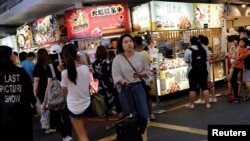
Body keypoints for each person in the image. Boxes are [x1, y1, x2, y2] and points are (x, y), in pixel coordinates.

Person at [112, 33, 150, 136]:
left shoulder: (140, 56)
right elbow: (115, 75)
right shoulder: (117, 59)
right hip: (126, 89)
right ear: (122, 45)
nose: (129, 44)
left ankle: (140, 132)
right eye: (126, 42)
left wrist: (140, 74)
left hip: (138, 87)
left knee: (143, 114)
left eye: (130, 41)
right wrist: (122, 81)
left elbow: (147, 70)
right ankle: (132, 136)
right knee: (129, 116)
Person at [0, 45, 40, 141]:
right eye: (12, 54)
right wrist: (36, 105)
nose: (14, 56)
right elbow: (29, 90)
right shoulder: (20, 71)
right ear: (8, 57)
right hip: (23, 114)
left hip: (5, 115)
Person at [60, 43, 91, 141]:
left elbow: (64, 90)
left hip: (74, 107)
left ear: (64, 57)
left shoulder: (64, 73)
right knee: (83, 132)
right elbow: (88, 85)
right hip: (86, 104)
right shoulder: (85, 68)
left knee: (82, 135)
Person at [42, 44, 73, 141]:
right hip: (68, 94)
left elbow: (49, 85)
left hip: (55, 97)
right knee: (67, 116)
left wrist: (45, 100)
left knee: (55, 117)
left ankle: (65, 135)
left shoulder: (50, 67)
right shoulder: (67, 64)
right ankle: (68, 135)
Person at [92, 45, 122, 130]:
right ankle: (119, 122)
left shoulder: (94, 64)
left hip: (101, 86)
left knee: (104, 106)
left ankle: (107, 124)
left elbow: (95, 77)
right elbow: (113, 73)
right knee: (116, 104)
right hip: (111, 85)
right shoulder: (109, 62)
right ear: (105, 52)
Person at [184, 36, 210, 109]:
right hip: (203, 70)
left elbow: (186, 60)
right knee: (205, 87)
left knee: (192, 88)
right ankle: (207, 104)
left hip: (193, 71)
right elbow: (207, 57)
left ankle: (191, 104)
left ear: (191, 42)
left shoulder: (188, 50)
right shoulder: (203, 48)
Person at [134, 35, 155, 121]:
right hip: (146, 78)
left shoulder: (137, 55)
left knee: (142, 98)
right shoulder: (145, 53)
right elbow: (150, 63)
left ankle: (145, 116)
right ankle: (151, 114)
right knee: (147, 97)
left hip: (140, 78)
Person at [195, 35, 217, 104]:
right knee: (208, 82)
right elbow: (210, 56)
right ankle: (212, 97)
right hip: (206, 66)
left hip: (203, 66)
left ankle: (203, 99)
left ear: (199, 40)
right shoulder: (205, 47)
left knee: (203, 83)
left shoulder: (201, 48)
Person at [33, 48, 51, 131]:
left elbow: (36, 80)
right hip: (50, 87)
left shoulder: (37, 66)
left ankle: (47, 124)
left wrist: (34, 90)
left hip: (42, 89)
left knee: (44, 106)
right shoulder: (49, 64)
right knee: (51, 105)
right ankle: (53, 123)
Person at [230, 37, 248, 102]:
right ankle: (236, 95)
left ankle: (236, 96)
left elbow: (240, 57)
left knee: (233, 80)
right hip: (236, 65)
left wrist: (235, 60)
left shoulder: (244, 49)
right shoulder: (239, 48)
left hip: (238, 66)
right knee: (234, 80)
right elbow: (236, 56)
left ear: (245, 43)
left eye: (242, 42)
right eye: (240, 42)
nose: (240, 43)